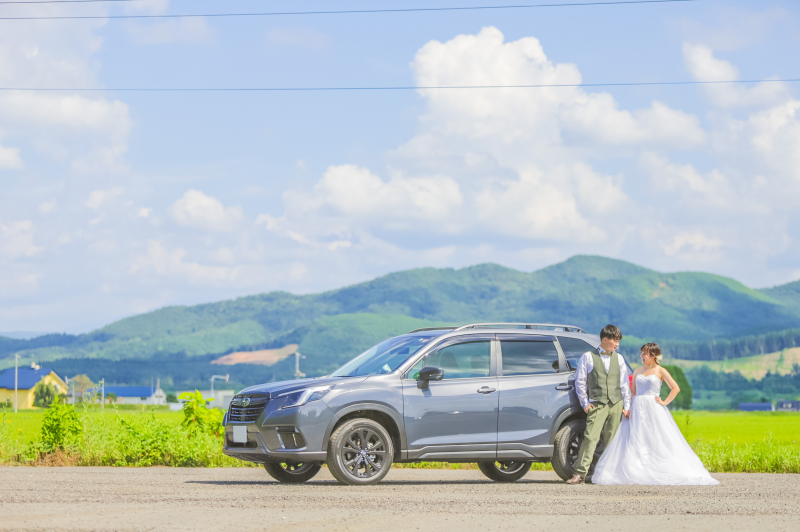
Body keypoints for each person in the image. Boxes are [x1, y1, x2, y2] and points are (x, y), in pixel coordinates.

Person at [591, 343, 719, 486]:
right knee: (634, 437)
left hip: (653, 408)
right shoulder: (638, 370)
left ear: (653, 356)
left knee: (656, 436)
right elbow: (632, 391)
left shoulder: (661, 371)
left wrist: (665, 402)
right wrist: (628, 407)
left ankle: (657, 467)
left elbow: (675, 388)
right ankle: (636, 469)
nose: (642, 356)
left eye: (644, 354)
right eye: (641, 353)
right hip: (637, 406)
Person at [566, 324, 631, 484]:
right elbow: (580, 381)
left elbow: (624, 384)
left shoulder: (619, 358)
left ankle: (609, 474)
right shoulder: (588, 357)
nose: (617, 345)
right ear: (605, 339)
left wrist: (627, 406)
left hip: (616, 404)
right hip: (597, 404)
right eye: (615, 341)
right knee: (590, 437)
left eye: (618, 341)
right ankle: (580, 474)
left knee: (612, 440)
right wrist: (585, 403)